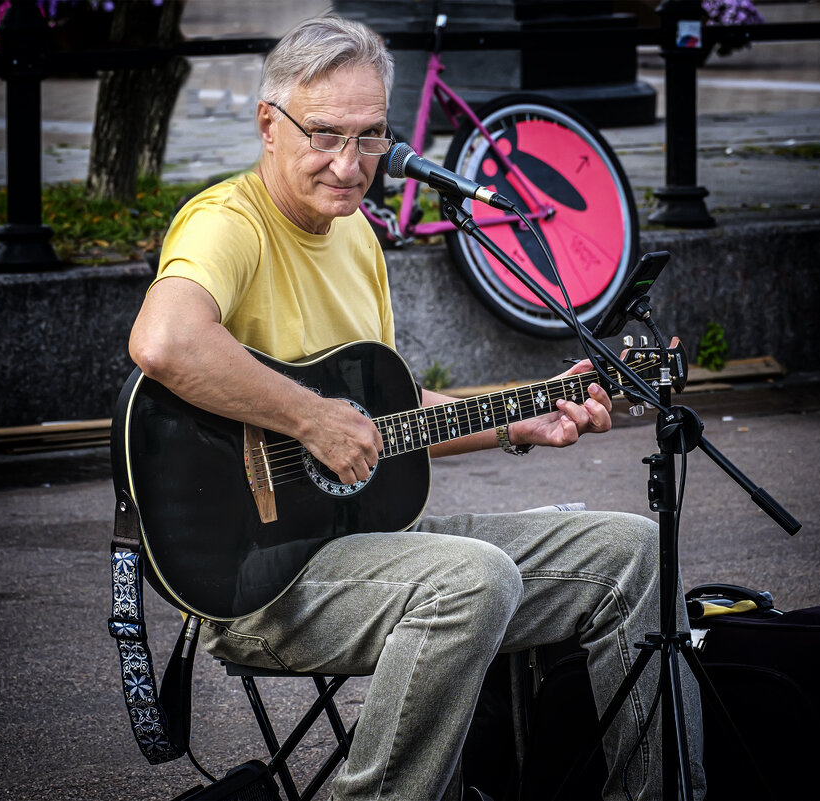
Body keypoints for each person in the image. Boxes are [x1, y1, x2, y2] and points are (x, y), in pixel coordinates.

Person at [128, 14, 705, 801]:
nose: (348, 162)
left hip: (369, 547)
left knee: (632, 551)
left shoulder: (358, 237)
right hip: (258, 582)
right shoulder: (229, 223)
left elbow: (376, 422)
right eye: (325, 134)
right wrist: (309, 419)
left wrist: (514, 417)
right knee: (473, 579)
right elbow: (165, 341)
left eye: (370, 138)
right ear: (268, 122)